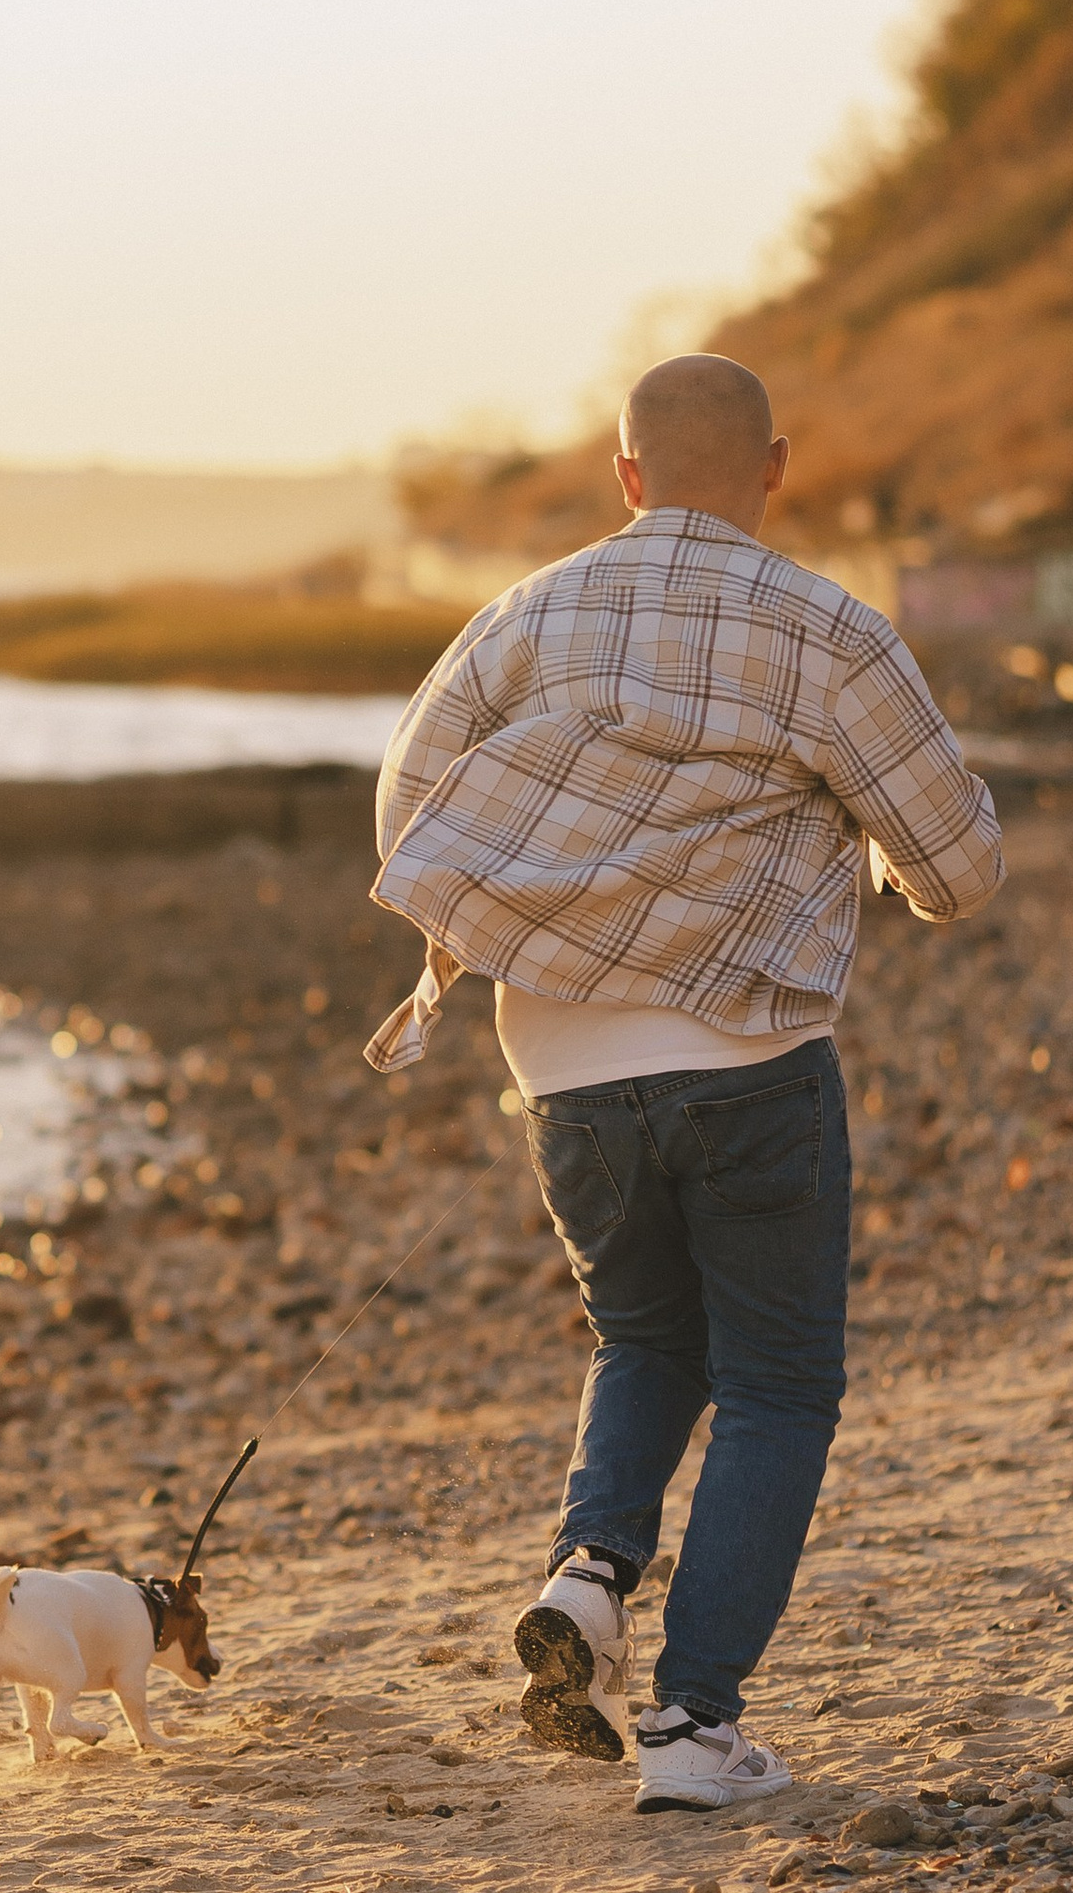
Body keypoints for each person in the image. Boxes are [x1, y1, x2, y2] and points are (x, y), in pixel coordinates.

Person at [366, 355, 1003, 1812]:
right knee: (779, 1381)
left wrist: (557, 884)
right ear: (774, 468)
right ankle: (696, 1728)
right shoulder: (835, 631)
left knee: (644, 1338)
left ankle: (590, 1580)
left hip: (565, 1064)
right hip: (747, 1058)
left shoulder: (524, 617)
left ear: (627, 474)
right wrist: (877, 847)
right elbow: (958, 870)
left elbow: (411, 808)